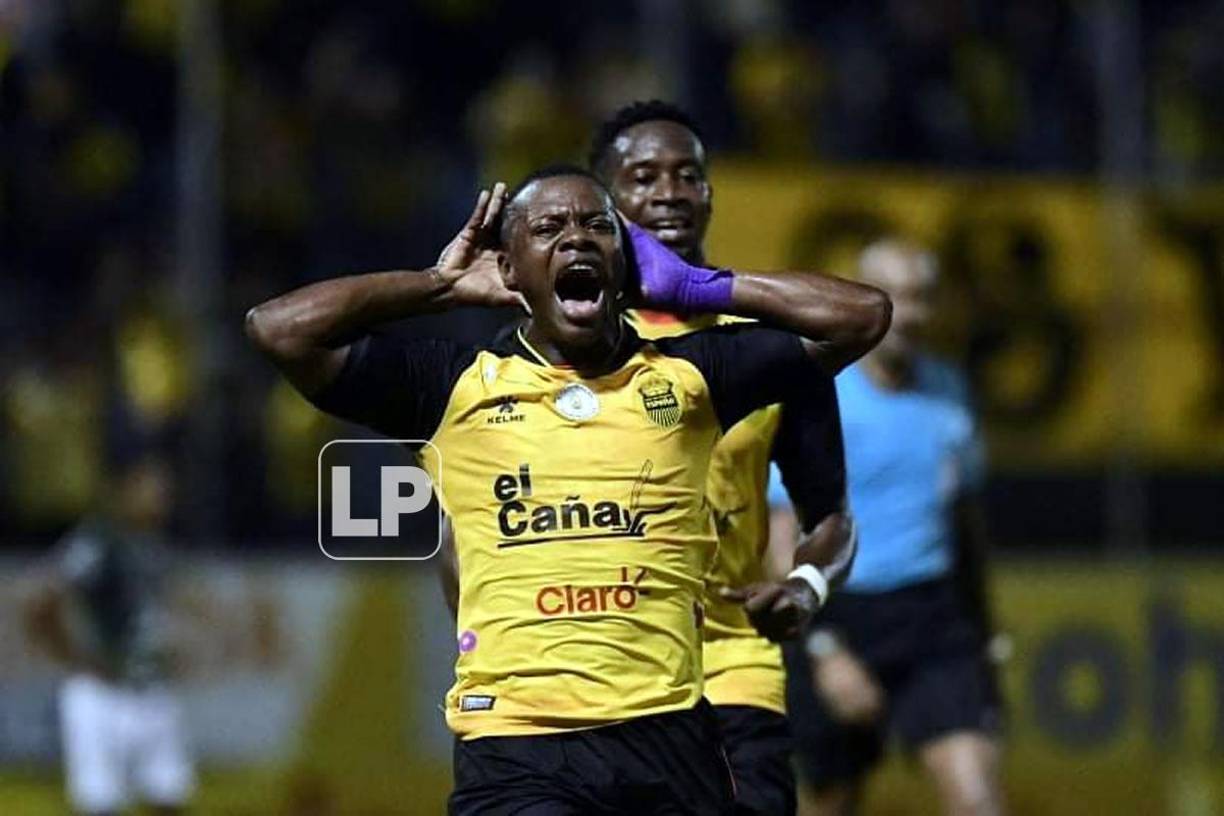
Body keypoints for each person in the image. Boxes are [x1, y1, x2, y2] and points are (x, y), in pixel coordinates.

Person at [246, 167, 890, 815]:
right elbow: (280, 328)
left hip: (670, 736)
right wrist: (436, 286)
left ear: (625, 261)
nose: (576, 240)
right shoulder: (452, 387)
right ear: (510, 269)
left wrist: (702, 286)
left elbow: (862, 316)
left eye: (597, 227)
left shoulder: (691, 377)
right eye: (548, 228)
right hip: (518, 745)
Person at [589, 100, 857, 816]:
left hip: (731, 664)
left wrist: (805, 586)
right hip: (596, 668)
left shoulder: (765, 343)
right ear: (604, 199)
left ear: (710, 192)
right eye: (643, 177)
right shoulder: (562, 342)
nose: (670, 192)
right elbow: (472, 517)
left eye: (688, 175)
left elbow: (830, 517)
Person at [783, 240, 1005, 816]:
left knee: (978, 797)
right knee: (832, 801)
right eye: (894, 297)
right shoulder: (819, 391)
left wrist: (986, 633)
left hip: (932, 618)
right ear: (863, 301)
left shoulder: (949, 391)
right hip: (842, 614)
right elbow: (782, 534)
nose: (908, 314)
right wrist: (823, 648)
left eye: (922, 298)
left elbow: (967, 523)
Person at [28, 451, 195, 816]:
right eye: (152, 485)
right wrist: (75, 658)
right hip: (102, 692)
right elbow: (43, 605)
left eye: (165, 487)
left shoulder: (156, 544)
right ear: (126, 489)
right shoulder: (98, 540)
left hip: (151, 686)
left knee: (169, 798)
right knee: (101, 803)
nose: (161, 495)